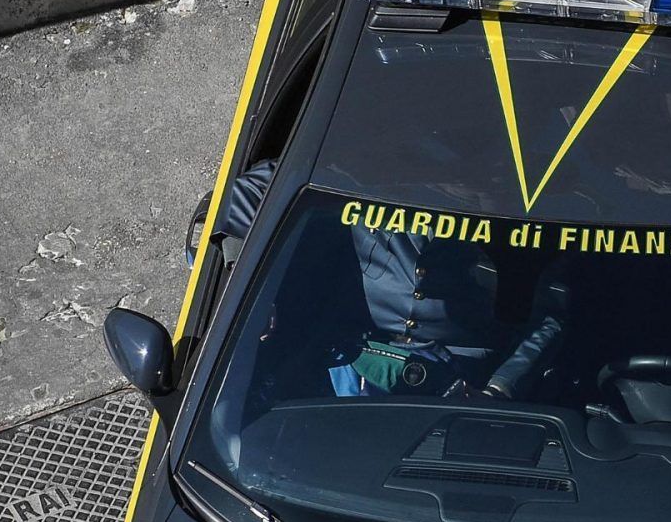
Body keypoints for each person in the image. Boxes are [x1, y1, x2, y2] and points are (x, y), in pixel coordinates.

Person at [198, 159, 562, 398]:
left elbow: (556, 311)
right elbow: (241, 196)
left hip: (461, 381)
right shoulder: (373, 167)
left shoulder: (526, 210)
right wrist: (247, 287)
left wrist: (499, 388)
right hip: (350, 357)